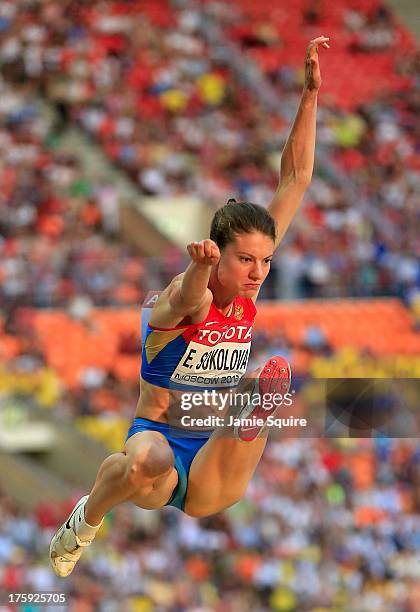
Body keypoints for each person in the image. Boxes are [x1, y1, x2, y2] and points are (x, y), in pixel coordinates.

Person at [50, 36, 330, 578]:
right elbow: (183, 301)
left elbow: (296, 178)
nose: (258, 273)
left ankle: (255, 410)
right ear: (217, 253)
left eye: (266, 262)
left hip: (213, 462)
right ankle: (84, 522)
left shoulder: (247, 284)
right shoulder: (184, 297)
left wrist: (310, 97)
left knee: (260, 388)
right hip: (158, 450)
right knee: (146, 462)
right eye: (246, 260)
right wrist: (200, 268)